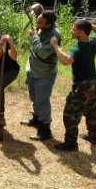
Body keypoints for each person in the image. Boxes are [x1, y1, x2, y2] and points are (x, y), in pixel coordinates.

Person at [50, 20, 96, 151]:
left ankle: (71, 143)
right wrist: (90, 25)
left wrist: (55, 45)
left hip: (83, 85)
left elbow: (65, 60)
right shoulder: (94, 41)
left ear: (81, 32)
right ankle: (94, 136)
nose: (71, 31)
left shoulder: (78, 48)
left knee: (70, 114)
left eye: (74, 29)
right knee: (92, 110)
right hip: (95, 82)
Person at [20, 10, 61, 140]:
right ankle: (36, 120)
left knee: (42, 101)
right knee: (34, 98)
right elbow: (39, 9)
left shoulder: (54, 35)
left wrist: (34, 37)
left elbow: (43, 52)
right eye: (37, 19)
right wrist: (35, 8)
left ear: (48, 25)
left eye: (40, 22)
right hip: (32, 71)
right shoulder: (42, 24)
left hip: (45, 73)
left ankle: (44, 130)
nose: (37, 23)